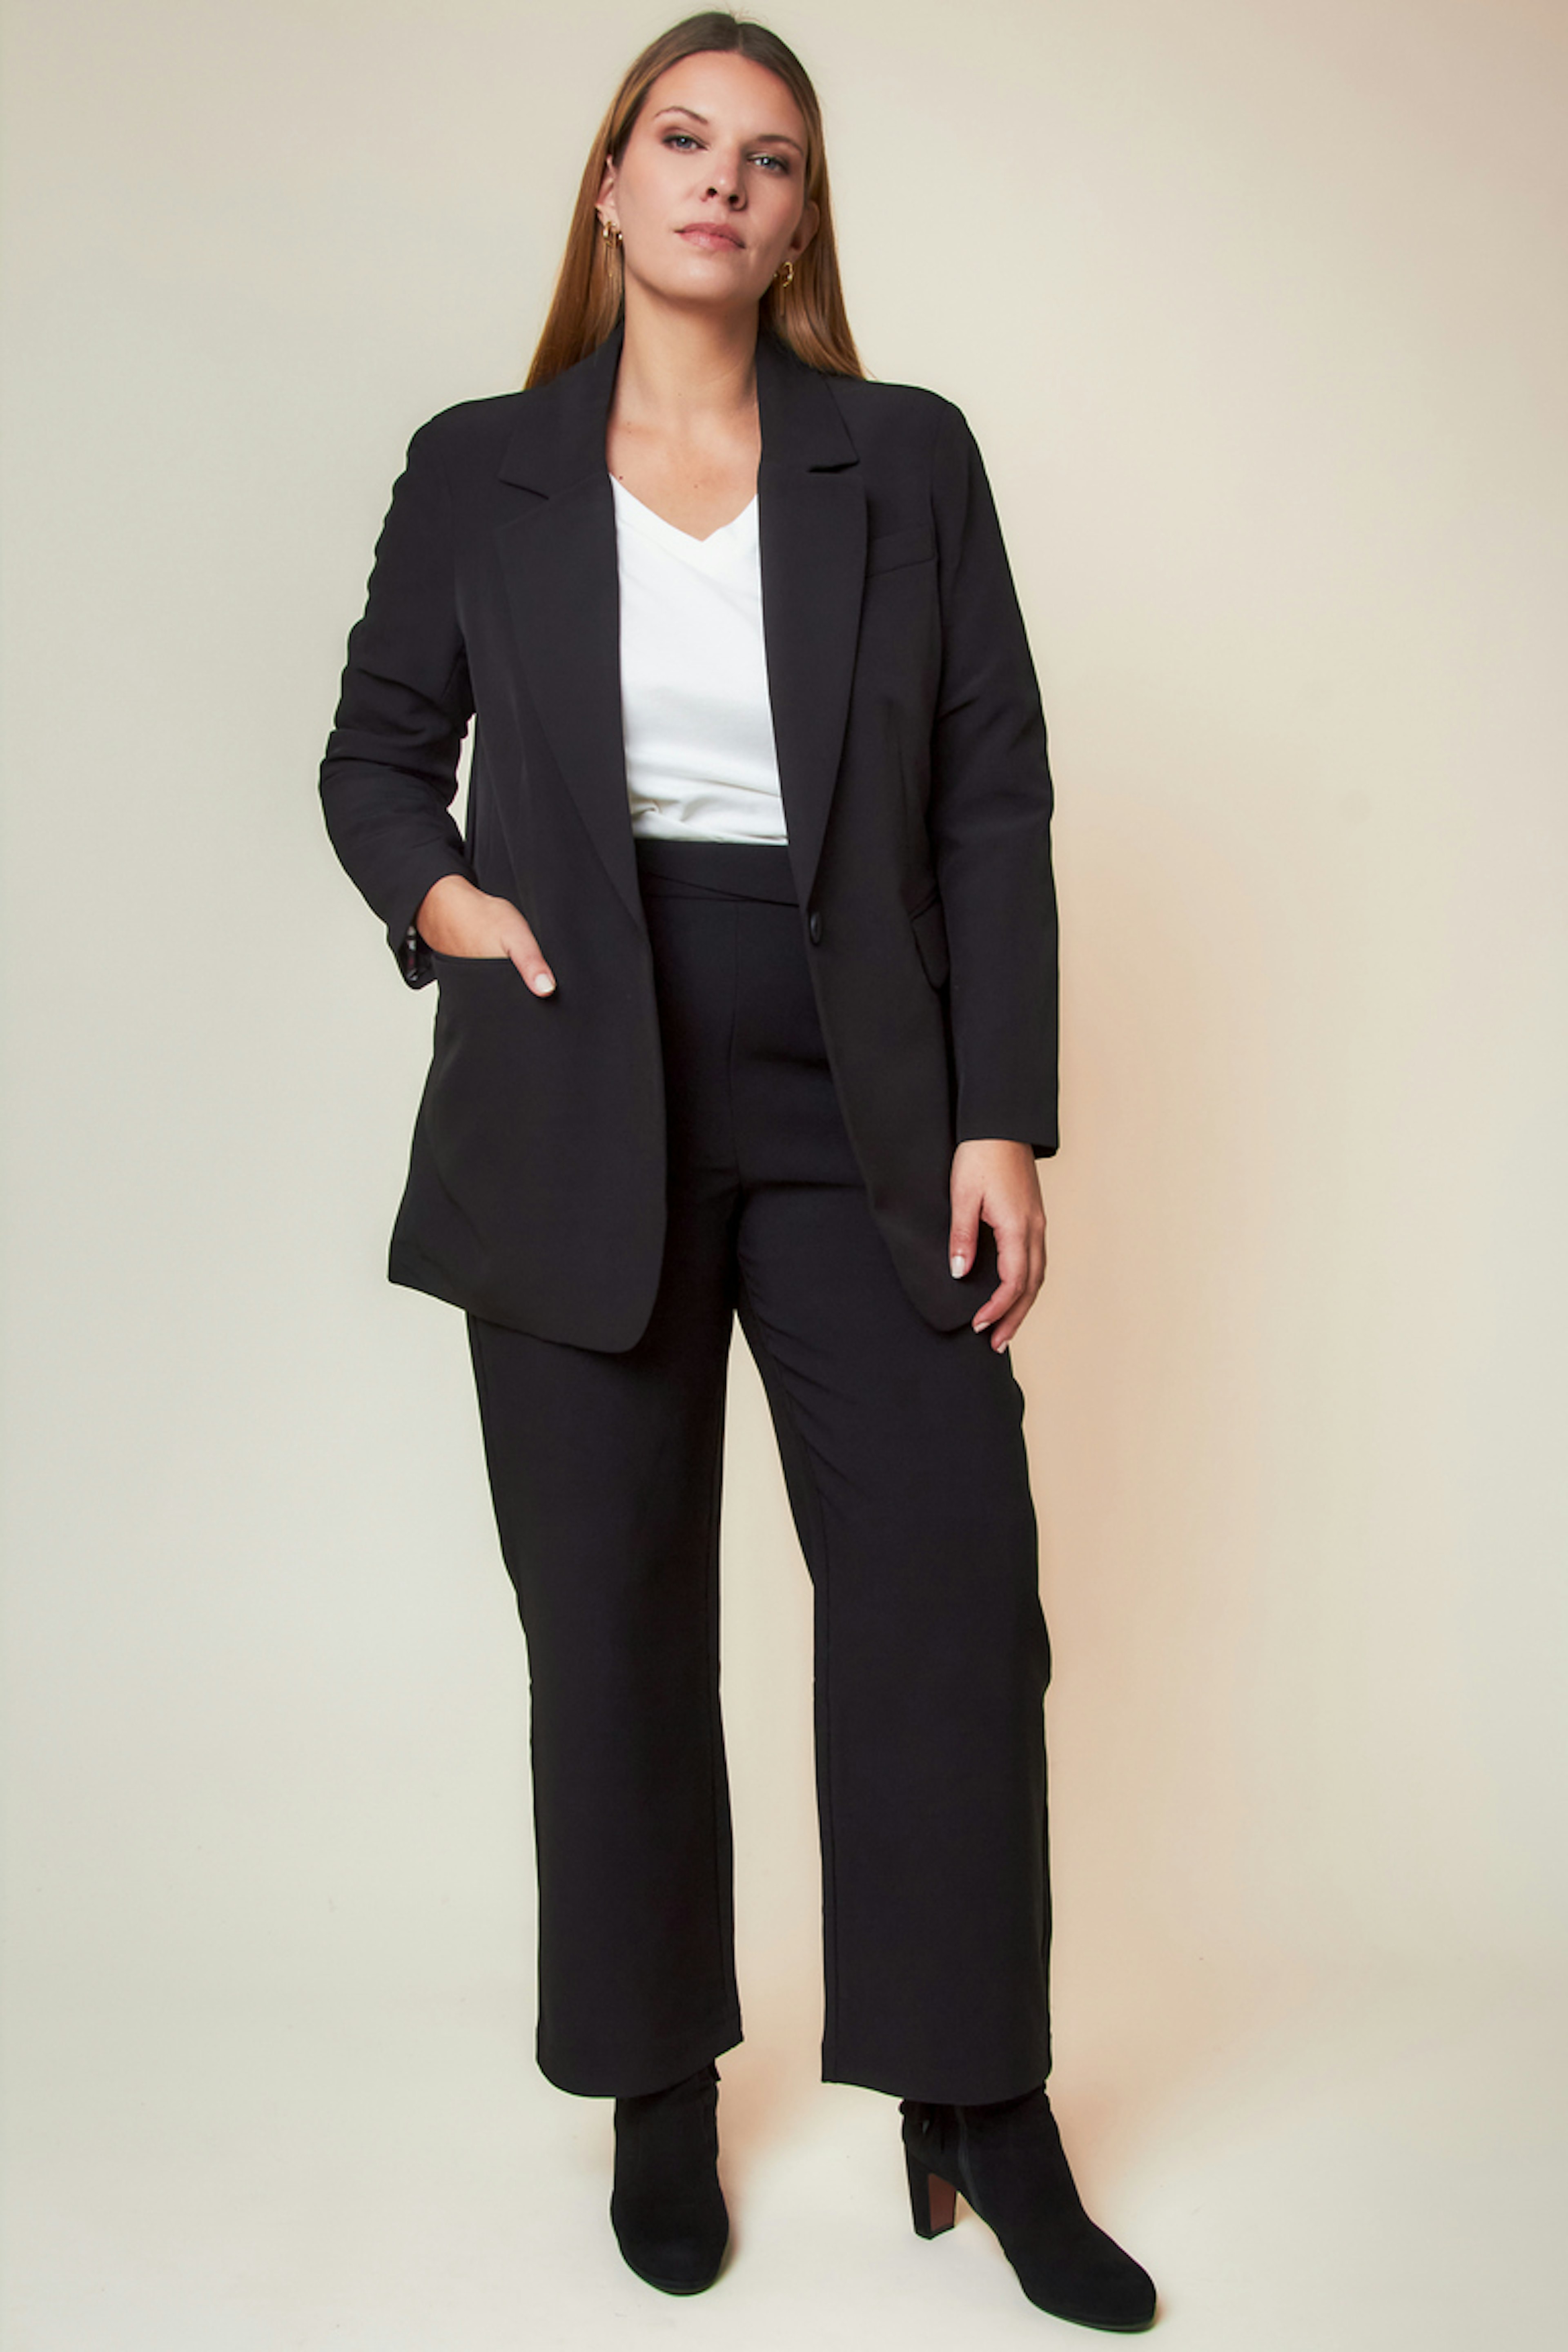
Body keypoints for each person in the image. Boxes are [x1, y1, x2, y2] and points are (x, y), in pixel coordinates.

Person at [318, 9, 1156, 2330]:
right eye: (682, 141)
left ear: (800, 219)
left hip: (860, 1082)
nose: (722, 181)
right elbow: (377, 752)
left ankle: (979, 2100)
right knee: (608, 1617)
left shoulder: (906, 457)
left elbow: (991, 790)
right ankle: (654, 2086)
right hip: (571, 1065)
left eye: (768, 157)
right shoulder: (482, 466)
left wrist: (999, 1113)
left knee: (947, 1591)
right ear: (611, 184)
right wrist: (444, 902)